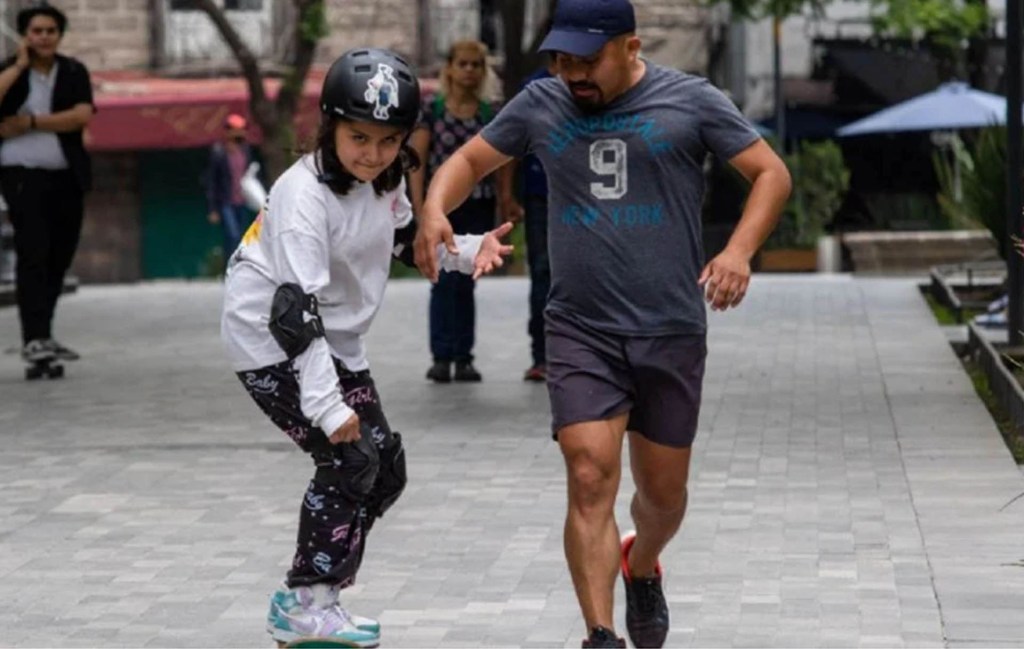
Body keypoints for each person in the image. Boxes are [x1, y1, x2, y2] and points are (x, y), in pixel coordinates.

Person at [412, 0, 792, 646]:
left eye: (586, 60)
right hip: (579, 328)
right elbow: (468, 161)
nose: (571, 73)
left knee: (663, 495)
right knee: (589, 474)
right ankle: (601, 634)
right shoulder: (541, 103)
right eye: (562, 59)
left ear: (631, 46)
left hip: (669, 328)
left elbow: (770, 174)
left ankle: (641, 562)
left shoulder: (691, 101)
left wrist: (737, 251)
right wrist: (434, 209)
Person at [220, 48, 511, 647]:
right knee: (349, 460)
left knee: (384, 470)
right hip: (270, 338)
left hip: (333, 336)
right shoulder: (304, 197)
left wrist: (467, 248)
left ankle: (312, 595)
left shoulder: (385, 179)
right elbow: (294, 312)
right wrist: (328, 407)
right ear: (329, 125)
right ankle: (307, 600)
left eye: (387, 141)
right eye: (358, 138)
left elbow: (405, 239)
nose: (372, 154)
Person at [409, 39, 521, 383]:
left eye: (476, 65)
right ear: (450, 68)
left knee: (467, 281)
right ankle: (441, 355)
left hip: (478, 203)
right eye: (463, 64)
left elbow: (502, 163)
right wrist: (420, 210)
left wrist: (506, 200)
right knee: (441, 278)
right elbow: (417, 162)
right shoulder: (433, 109)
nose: (470, 71)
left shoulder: (491, 111)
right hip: (441, 207)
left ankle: (464, 356)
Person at [0, 3, 94, 365]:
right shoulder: (10, 71)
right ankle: (33, 337)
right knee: (33, 252)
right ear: (25, 35)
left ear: (59, 34)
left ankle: (46, 333)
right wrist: (19, 66)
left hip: (67, 176)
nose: (44, 37)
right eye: (37, 31)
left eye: (50, 31)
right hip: (22, 177)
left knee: (59, 256)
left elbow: (81, 116)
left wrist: (29, 123)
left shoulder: (73, 72)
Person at [515, 64, 555, 383]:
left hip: (587, 195)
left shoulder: (597, 84)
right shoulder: (535, 89)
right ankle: (541, 354)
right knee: (542, 270)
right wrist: (508, 195)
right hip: (541, 193)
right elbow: (507, 145)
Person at [205, 112, 262, 266]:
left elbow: (249, 174)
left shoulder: (245, 151)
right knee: (232, 234)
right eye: (235, 129)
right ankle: (230, 266)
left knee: (242, 236)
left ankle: (239, 267)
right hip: (226, 201)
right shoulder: (219, 152)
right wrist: (212, 209)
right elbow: (212, 181)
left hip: (242, 200)